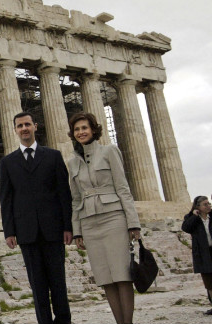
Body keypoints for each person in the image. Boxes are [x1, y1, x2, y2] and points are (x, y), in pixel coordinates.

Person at [66, 112, 141, 324]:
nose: (81, 132)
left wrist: (133, 222)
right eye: (77, 129)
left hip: (114, 218)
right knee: (105, 278)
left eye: (84, 128)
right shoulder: (72, 163)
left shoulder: (109, 151)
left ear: (93, 130)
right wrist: (77, 230)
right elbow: (76, 199)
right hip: (89, 222)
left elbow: (123, 188)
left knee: (122, 275)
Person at [0, 111, 73, 324]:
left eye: (27, 124)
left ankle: (64, 321)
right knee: (37, 284)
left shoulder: (53, 156)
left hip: (54, 229)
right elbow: (7, 200)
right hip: (26, 231)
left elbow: (63, 194)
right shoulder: (8, 162)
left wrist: (68, 226)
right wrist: (9, 231)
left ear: (35, 126)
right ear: (15, 130)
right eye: (20, 126)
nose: (24, 129)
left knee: (58, 282)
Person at [182, 195, 212, 315]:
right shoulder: (191, 218)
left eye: (209, 203)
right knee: (209, 282)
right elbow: (186, 228)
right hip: (203, 253)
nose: (208, 206)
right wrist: (194, 216)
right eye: (205, 204)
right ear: (197, 206)